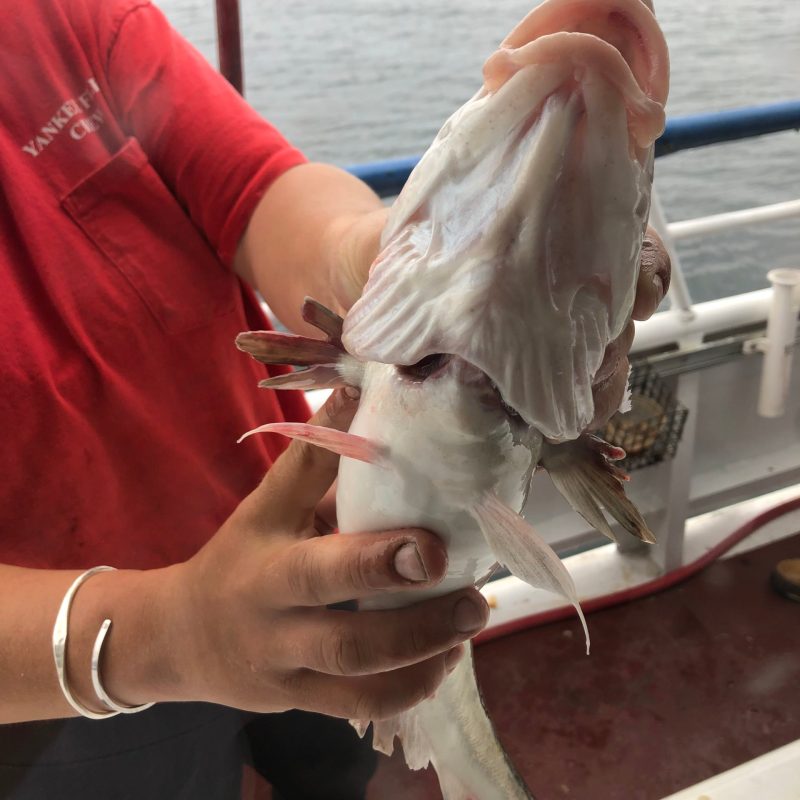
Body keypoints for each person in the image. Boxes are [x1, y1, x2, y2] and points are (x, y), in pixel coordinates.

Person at [0, 1, 671, 798]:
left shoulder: (63, 16)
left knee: (338, 759)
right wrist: (162, 633)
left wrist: (389, 261)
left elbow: (259, 192)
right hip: (62, 670)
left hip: (315, 546)